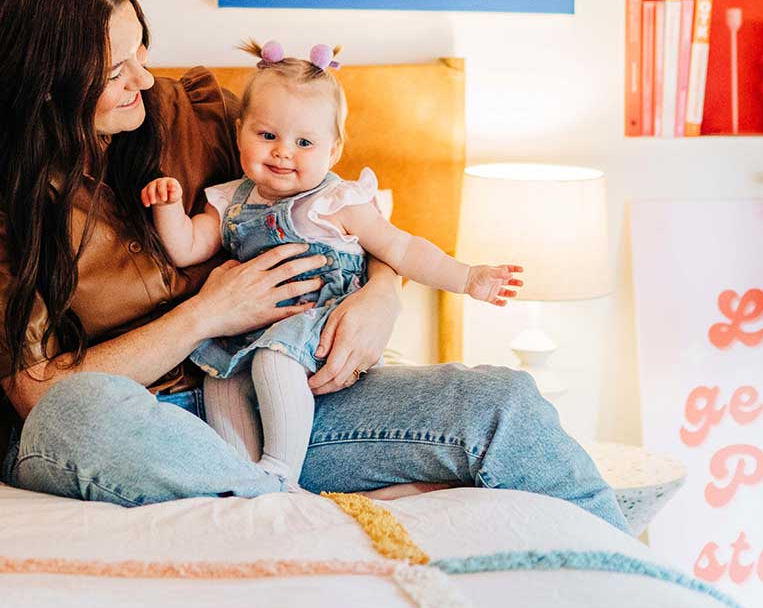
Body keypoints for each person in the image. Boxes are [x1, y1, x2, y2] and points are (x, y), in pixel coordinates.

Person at [0, 0, 626, 528]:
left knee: (503, 401)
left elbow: (341, 209)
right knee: (74, 417)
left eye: (141, 52)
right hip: (135, 427)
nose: (145, 79)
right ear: (48, 85)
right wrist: (208, 313)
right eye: (117, 72)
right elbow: (37, 395)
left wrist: (382, 293)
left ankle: (623, 563)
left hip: (277, 406)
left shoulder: (193, 114)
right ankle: (289, 510)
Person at [144, 36, 520, 488]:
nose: (283, 151)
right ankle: (242, 476)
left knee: (272, 361)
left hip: (319, 323)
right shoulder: (228, 200)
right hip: (250, 327)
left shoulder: (336, 201)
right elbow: (187, 248)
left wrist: (466, 276)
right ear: (240, 130)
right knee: (219, 377)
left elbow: (400, 249)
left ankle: (282, 470)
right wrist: (168, 208)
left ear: (334, 151)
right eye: (267, 136)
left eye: (304, 141)